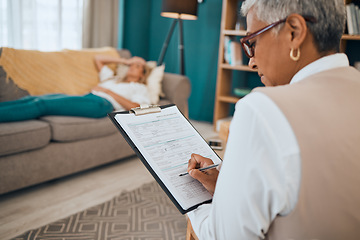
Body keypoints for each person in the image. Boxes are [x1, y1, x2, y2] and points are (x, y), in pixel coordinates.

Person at [186, 0, 360, 239]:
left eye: (252, 42)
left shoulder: (262, 110)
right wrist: (228, 187)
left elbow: (226, 236)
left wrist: (195, 205)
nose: (251, 61)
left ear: (294, 32)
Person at [0, 56, 151, 123]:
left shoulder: (139, 87)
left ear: (142, 74)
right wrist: (124, 60)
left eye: (137, 66)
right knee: (33, 99)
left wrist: (108, 92)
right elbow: (98, 58)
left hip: (102, 104)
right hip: (88, 97)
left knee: (41, 105)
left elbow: (137, 107)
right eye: (131, 64)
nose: (132, 66)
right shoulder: (112, 78)